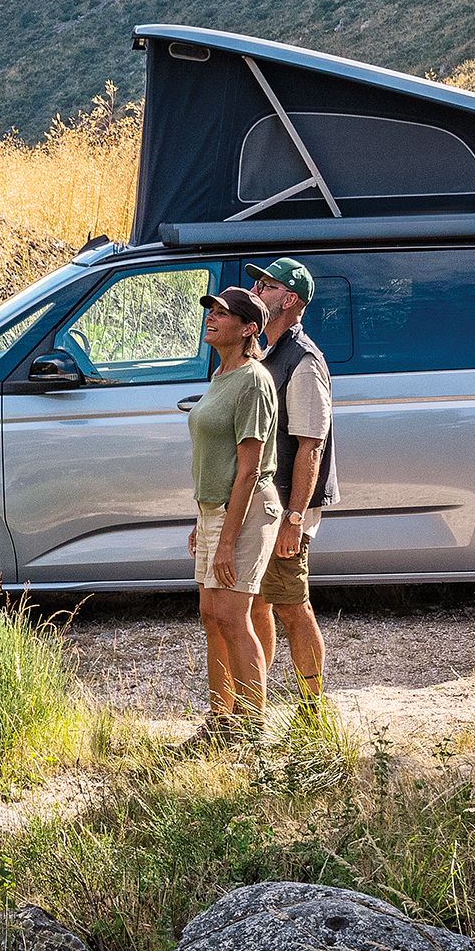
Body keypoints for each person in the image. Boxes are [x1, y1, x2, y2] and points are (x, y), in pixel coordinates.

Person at [185, 284, 281, 737]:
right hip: (213, 511)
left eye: (222, 313)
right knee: (210, 613)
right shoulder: (221, 376)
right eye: (211, 311)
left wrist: (225, 540)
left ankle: (252, 728)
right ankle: (222, 718)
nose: (212, 317)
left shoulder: (254, 382)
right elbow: (212, 457)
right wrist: (200, 520)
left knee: (233, 614)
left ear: (248, 329)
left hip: (244, 511)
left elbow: (248, 470)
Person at [247, 257, 337, 708]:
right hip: (268, 506)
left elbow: (311, 447)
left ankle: (312, 714)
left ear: (291, 299)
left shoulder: (303, 361)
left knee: (290, 605)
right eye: (259, 284)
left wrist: (295, 519)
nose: (257, 291)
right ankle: (256, 707)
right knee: (259, 605)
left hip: (289, 508)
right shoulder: (268, 353)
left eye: (266, 285)